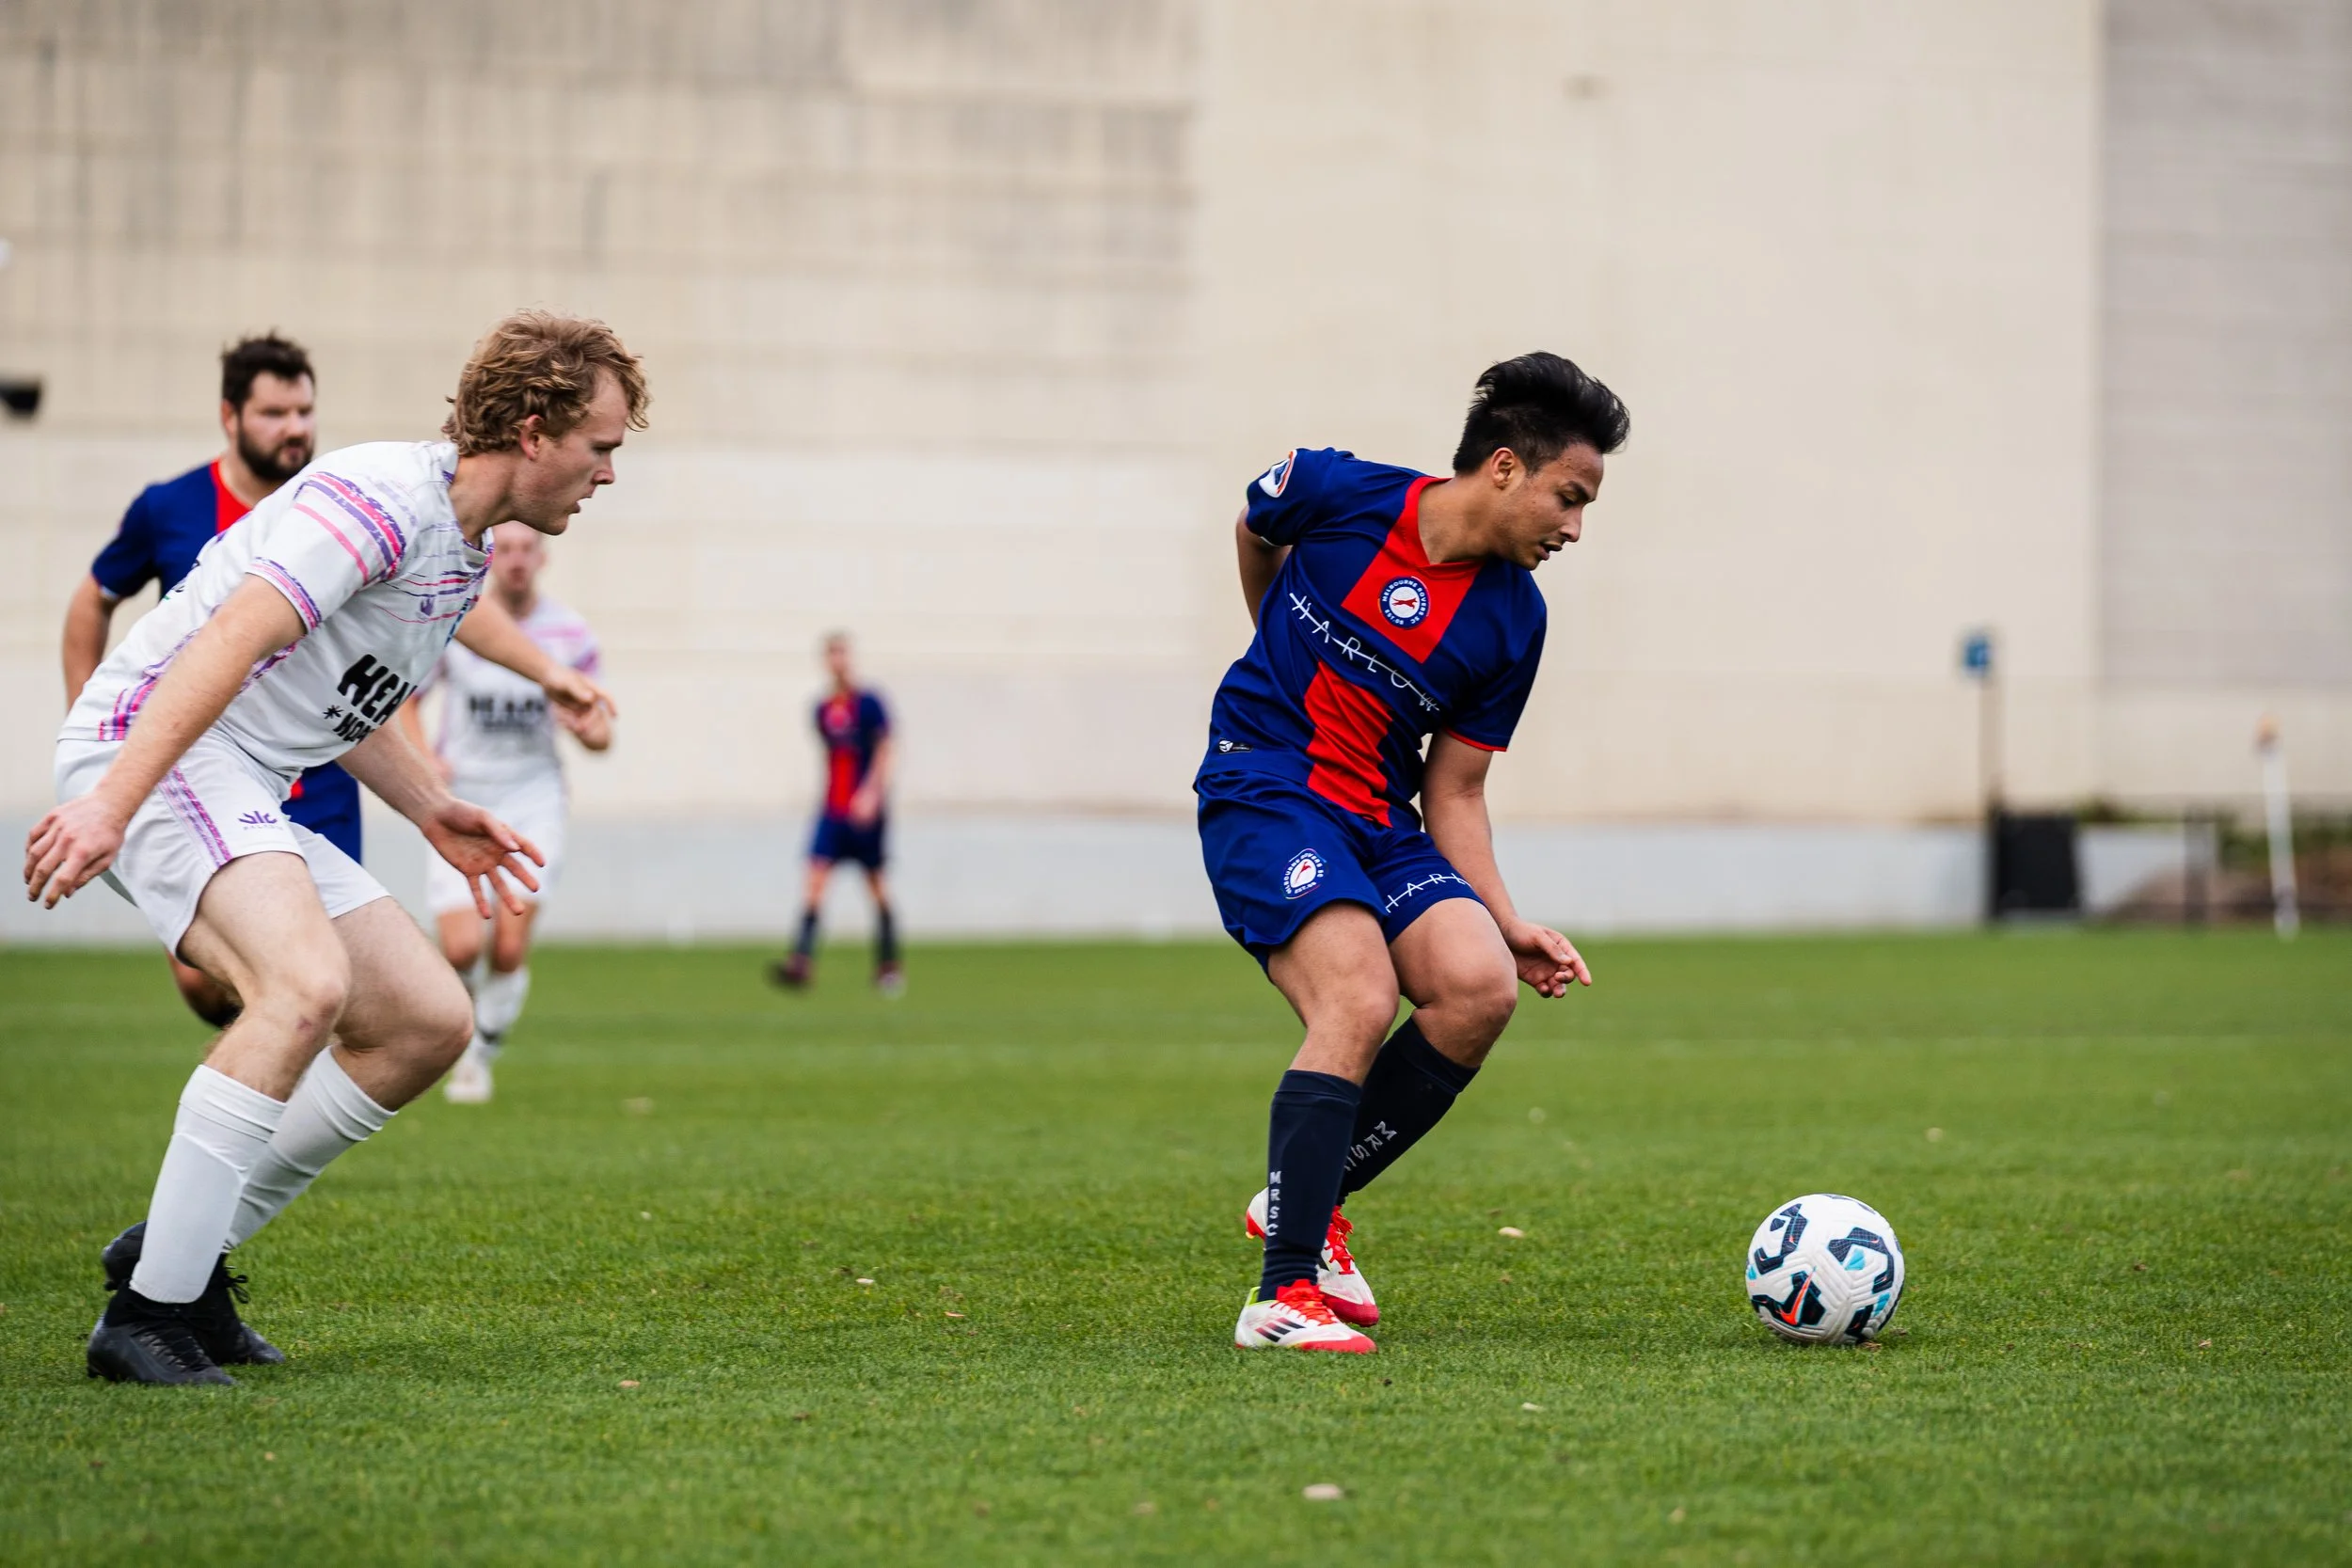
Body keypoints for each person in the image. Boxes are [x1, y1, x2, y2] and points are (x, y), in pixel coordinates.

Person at [26, 309, 644, 1386]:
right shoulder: (383, 498)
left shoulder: (459, 550)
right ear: (537, 430)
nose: (607, 474)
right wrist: (111, 801)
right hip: (163, 748)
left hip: (234, 776)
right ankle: (146, 1314)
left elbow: (338, 699)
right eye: (603, 447)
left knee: (425, 1020)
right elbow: (232, 639)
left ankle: (182, 1249)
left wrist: (432, 805)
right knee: (303, 983)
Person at [1199, 353, 1628, 1354]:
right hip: (1267, 782)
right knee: (1355, 995)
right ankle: (1282, 1294)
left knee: (1478, 984)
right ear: (1507, 468)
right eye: (1570, 497)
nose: (1573, 527)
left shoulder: (1515, 621)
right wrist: (1271, 638)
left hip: (1379, 817)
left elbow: (1457, 788)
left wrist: (1508, 918)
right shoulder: (1334, 488)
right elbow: (1253, 527)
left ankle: (1299, 1200)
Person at [59, 335, 361, 1027]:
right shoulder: (169, 507)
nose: (295, 428)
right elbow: (92, 598)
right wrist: (89, 717)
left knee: (321, 980)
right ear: (230, 416)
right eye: (274, 412)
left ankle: (262, 1122)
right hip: (200, 766)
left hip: (316, 774)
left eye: (305, 411)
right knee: (211, 984)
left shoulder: (338, 510)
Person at [399, 521, 610, 1104]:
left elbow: (599, 732)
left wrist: (590, 728)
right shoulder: (462, 620)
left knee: (510, 947)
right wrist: (425, 762)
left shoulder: (568, 632)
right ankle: (462, 1037)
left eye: (526, 550)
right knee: (463, 947)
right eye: (506, 550)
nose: (516, 560)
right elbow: (408, 701)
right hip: (465, 797)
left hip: (533, 797)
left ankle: (481, 1052)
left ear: (542, 558)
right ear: (494, 559)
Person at [768, 632, 901, 995]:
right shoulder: (822, 710)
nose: (838, 661)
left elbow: (886, 750)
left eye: (843, 654)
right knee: (814, 880)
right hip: (832, 811)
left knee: (876, 887)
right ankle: (801, 961)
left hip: (865, 814)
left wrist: (872, 794)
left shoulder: (870, 703)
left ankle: (888, 965)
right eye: (832, 655)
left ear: (851, 658)